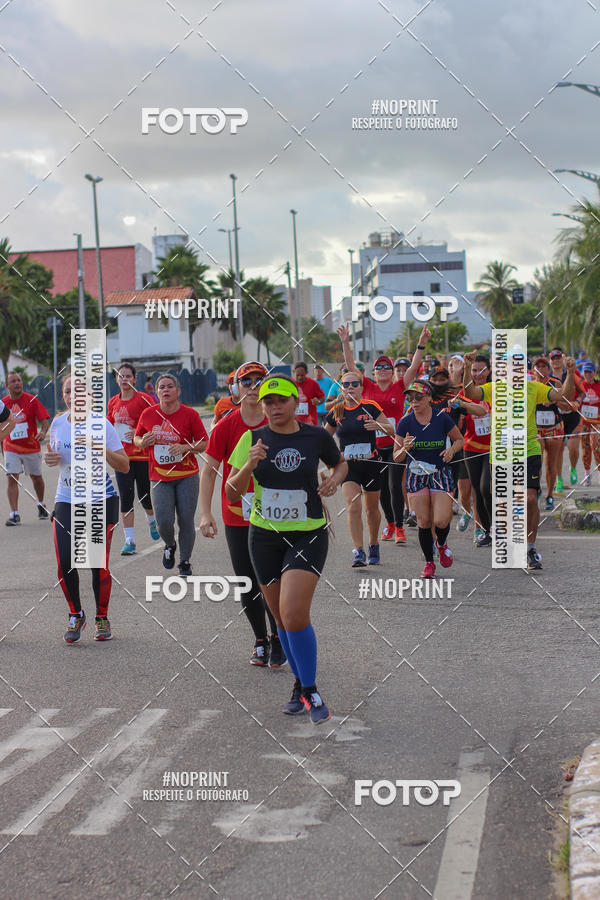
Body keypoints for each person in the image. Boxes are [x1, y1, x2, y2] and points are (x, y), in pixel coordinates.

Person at [226, 375, 347, 724]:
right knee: (279, 619)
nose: (275, 408)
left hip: (307, 534)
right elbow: (233, 494)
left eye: (281, 401)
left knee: (293, 614)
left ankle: (310, 689)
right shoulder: (252, 439)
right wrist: (249, 464)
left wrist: (335, 480)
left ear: (295, 402)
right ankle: (299, 683)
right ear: (262, 406)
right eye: (268, 402)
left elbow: (340, 463)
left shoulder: (315, 436)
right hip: (264, 536)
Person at [200, 361, 286, 667]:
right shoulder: (226, 425)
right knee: (247, 581)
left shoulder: (279, 422)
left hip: (277, 515)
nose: (251, 385)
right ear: (236, 387)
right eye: (245, 380)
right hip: (237, 516)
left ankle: (279, 637)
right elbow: (209, 471)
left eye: (258, 379)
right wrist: (205, 513)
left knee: (273, 580)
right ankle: (260, 640)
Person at [463, 351, 576, 570]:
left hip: (529, 451)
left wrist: (570, 373)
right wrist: (468, 368)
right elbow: (470, 391)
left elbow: (563, 396)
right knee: (495, 495)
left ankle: (530, 548)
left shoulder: (533, 388)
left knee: (531, 500)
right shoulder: (495, 389)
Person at [44, 374, 130, 642]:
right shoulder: (57, 424)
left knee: (96, 563)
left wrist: (101, 449)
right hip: (67, 498)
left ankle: (101, 617)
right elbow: (53, 456)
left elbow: (124, 465)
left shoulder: (102, 424)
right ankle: (75, 614)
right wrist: (49, 458)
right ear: (64, 396)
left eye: (78, 392)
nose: (73, 396)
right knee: (65, 562)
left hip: (100, 499)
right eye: (68, 391)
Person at [338, 322, 430, 545]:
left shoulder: (399, 386)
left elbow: (414, 366)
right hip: (373, 447)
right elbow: (350, 366)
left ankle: (399, 527)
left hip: (395, 444)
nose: (383, 370)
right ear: (373, 373)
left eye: (387, 367)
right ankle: (389, 523)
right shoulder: (366, 386)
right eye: (379, 367)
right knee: (381, 493)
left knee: (395, 486)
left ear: (391, 372)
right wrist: (345, 342)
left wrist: (421, 344)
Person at [134, 373, 208, 577]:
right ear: (156, 392)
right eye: (161, 387)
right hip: (159, 477)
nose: (165, 390)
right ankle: (170, 544)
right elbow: (137, 438)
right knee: (164, 522)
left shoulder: (190, 414)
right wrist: (143, 442)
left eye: (169, 386)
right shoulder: (148, 414)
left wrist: (185, 447)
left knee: (185, 520)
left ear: (178, 391)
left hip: (187, 475)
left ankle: (185, 561)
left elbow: (204, 443)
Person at [394, 381, 464, 577]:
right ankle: (428, 563)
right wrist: (405, 448)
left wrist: (451, 450)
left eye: (418, 397)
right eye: (410, 398)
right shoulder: (405, 422)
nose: (414, 401)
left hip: (439, 472)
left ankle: (441, 543)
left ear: (429, 398)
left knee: (441, 520)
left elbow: (459, 440)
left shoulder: (442, 418)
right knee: (424, 521)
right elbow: (396, 457)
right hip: (416, 475)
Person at [324, 370, 394, 567]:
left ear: (362, 388)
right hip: (348, 467)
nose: (350, 388)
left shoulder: (370, 407)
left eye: (355, 384)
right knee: (353, 506)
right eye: (346, 385)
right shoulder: (337, 410)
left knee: (371, 509)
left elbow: (391, 429)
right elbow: (324, 438)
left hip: (371, 464)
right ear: (341, 389)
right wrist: (331, 461)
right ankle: (359, 551)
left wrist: (378, 427)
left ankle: (373, 545)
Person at [107, 362, 160, 554]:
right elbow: (109, 425)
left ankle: (151, 520)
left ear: (135, 379)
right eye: (121, 376)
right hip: (122, 457)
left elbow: (156, 419)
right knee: (126, 497)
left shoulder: (144, 399)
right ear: (116, 379)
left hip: (142, 456)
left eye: (128, 376)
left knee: (144, 496)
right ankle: (130, 541)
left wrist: (138, 432)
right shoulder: (113, 402)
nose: (124, 379)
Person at [2, 371, 51, 525]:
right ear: (7, 386)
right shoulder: (3, 404)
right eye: (13, 381)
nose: (17, 383)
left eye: (19, 380)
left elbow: (44, 420)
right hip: (11, 447)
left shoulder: (31, 400)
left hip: (31, 447)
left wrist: (43, 432)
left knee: (36, 478)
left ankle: (41, 504)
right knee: (11, 478)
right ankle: (14, 513)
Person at [460, 355, 494, 546]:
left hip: (493, 448)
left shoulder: (494, 390)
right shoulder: (466, 392)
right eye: (474, 370)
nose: (478, 374)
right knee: (477, 492)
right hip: (471, 448)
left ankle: (497, 526)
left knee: (486, 487)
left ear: (488, 370)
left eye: (481, 370)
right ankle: (486, 531)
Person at [532, 357, 564, 511]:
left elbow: (567, 403)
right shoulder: (530, 383)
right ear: (533, 369)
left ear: (548, 369)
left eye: (544, 366)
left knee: (550, 464)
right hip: (535, 427)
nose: (541, 369)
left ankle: (549, 495)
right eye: (538, 366)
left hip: (554, 427)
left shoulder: (555, 383)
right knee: (536, 460)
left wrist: (554, 401)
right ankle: (536, 489)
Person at [549, 348, 584, 490]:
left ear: (562, 360)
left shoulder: (570, 374)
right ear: (549, 361)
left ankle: (573, 468)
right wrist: (557, 403)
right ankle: (559, 479)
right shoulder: (548, 377)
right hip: (557, 416)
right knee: (558, 451)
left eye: (558, 357)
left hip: (573, 415)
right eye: (553, 358)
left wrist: (577, 402)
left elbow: (582, 392)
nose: (556, 360)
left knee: (573, 448)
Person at [579, 363, 600, 485]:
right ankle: (587, 474)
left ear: (594, 372)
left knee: (596, 446)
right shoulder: (581, 386)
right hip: (584, 422)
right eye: (585, 372)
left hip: (597, 422)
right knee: (585, 449)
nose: (588, 374)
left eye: (590, 372)